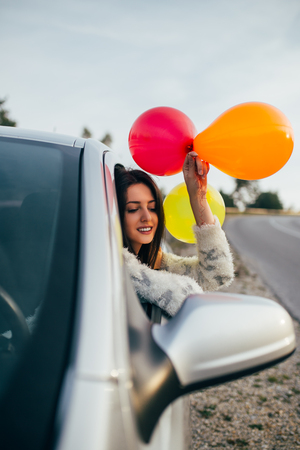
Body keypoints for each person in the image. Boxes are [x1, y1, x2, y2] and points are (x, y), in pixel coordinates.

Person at [114, 152, 234, 318]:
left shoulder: (157, 260)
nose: (147, 217)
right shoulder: (111, 264)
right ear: (116, 214)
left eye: (152, 207)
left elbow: (217, 274)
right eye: (133, 209)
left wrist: (198, 196)